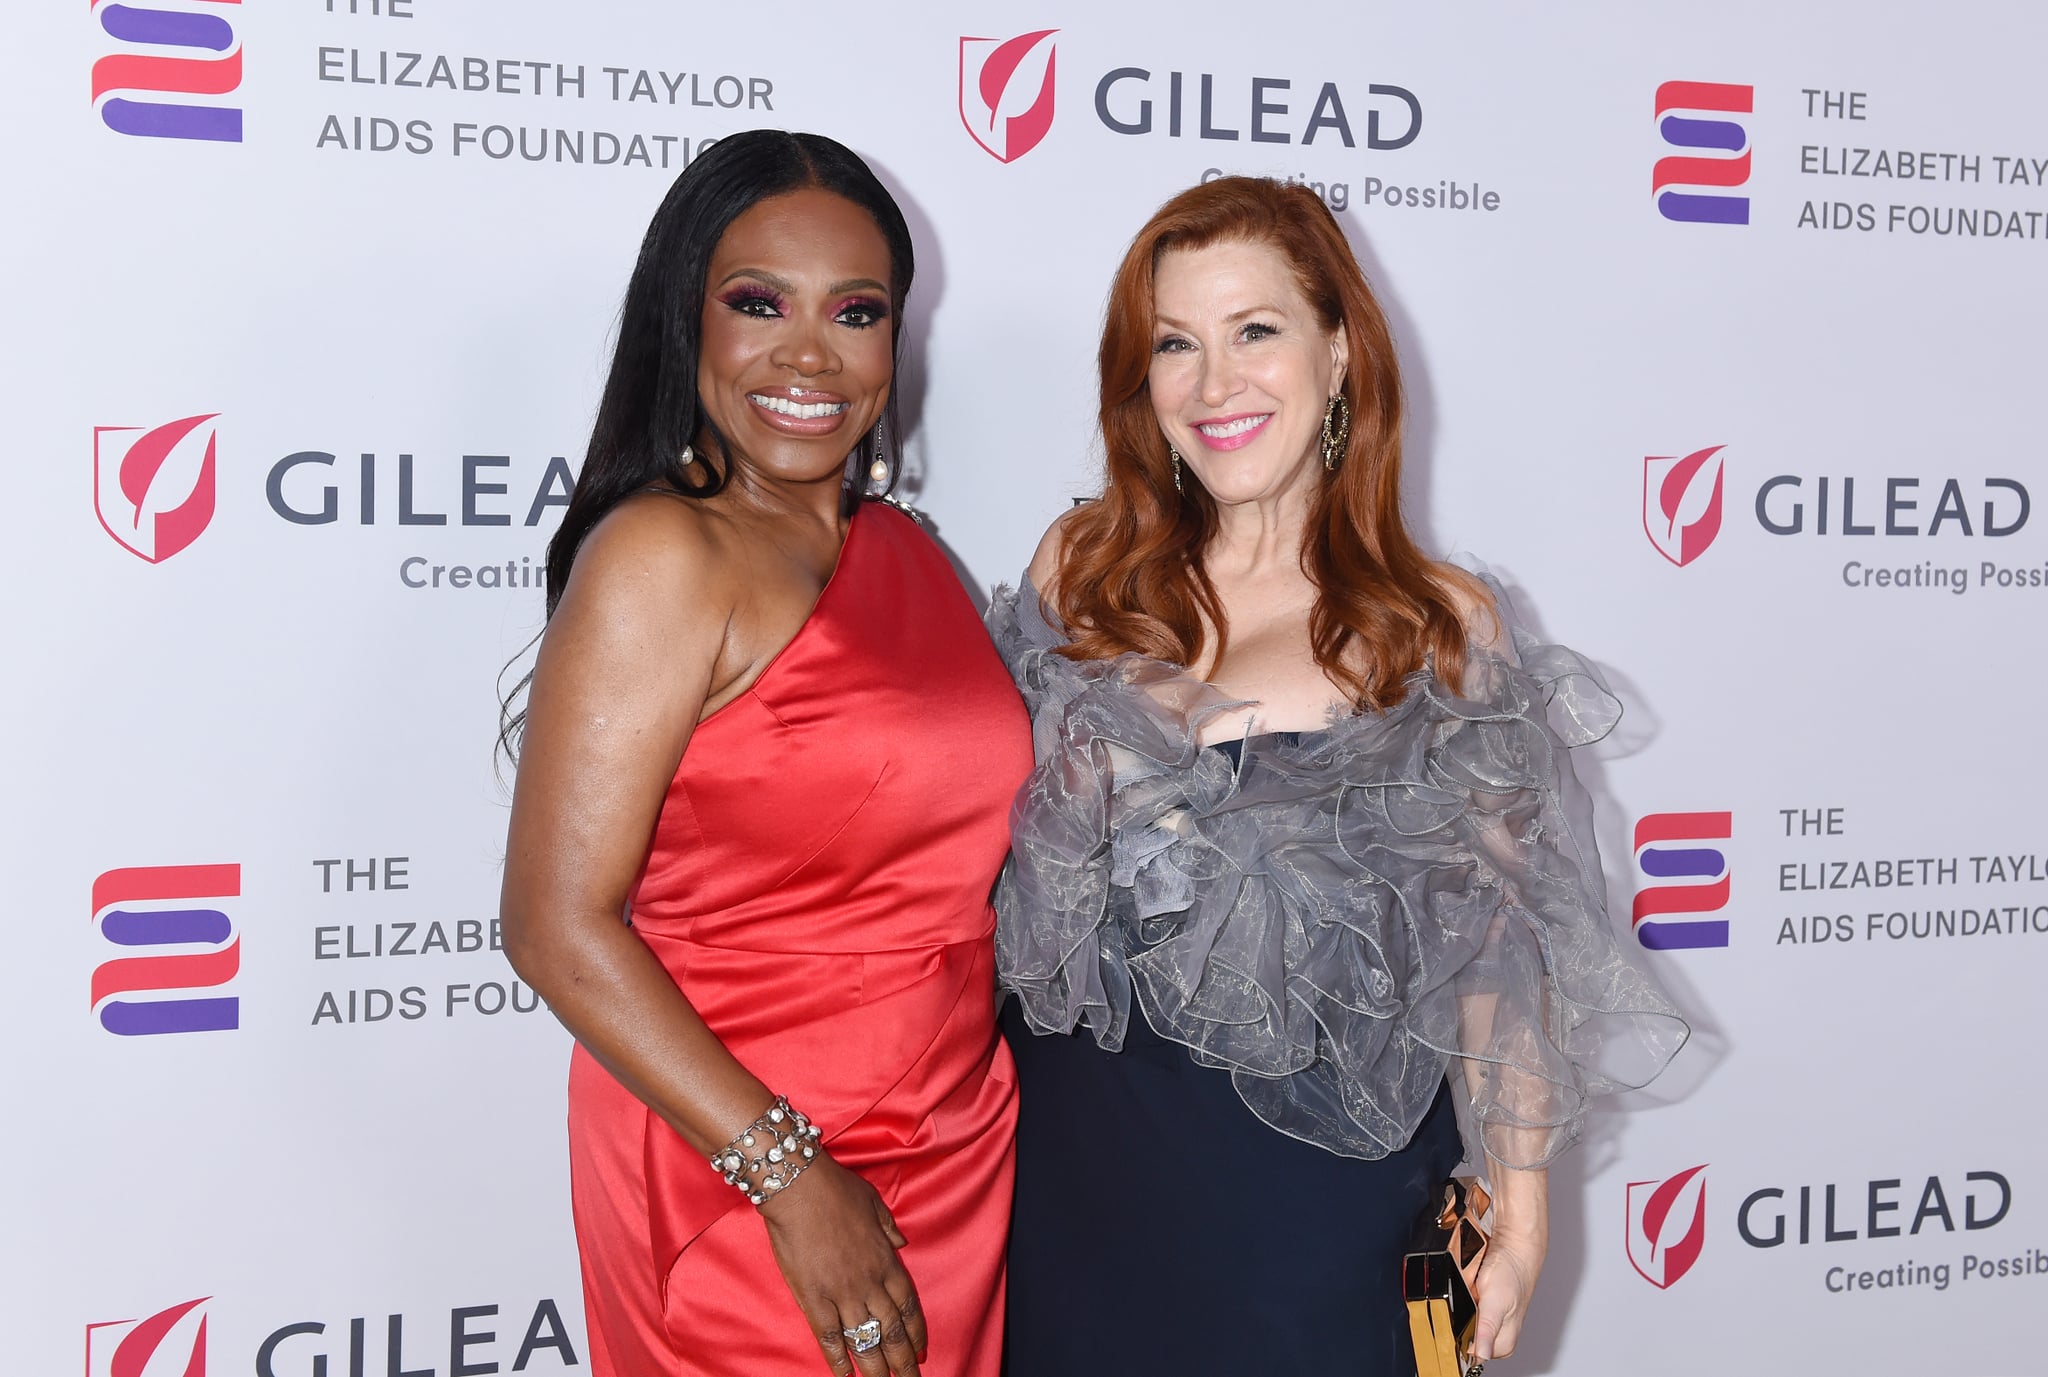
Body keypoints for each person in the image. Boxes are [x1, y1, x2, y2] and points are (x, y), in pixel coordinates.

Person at [989, 176, 1688, 1375]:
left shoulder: (1429, 626)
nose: (1213, 385)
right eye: (1174, 344)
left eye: (1253, 330)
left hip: (1313, 1217)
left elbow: (1501, 940)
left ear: (1336, 351)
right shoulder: (1082, 572)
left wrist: (1519, 1213)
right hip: (1068, 1196)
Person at [499, 130, 1030, 1377]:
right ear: (687, 325)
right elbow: (554, 925)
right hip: (739, 1158)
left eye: (856, 312)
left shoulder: (906, 552)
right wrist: (792, 1182)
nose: (809, 356)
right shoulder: (662, 557)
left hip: (949, 1148)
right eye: (757, 304)